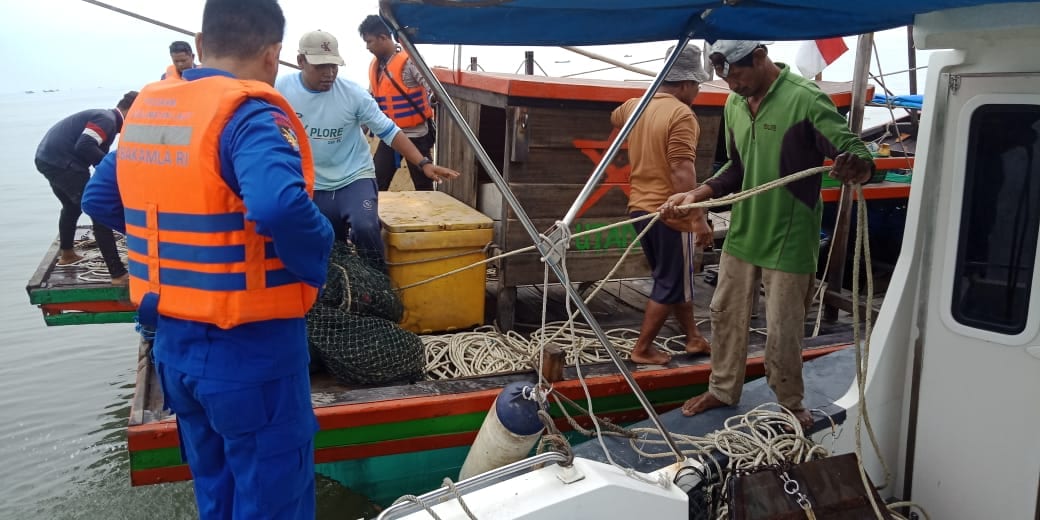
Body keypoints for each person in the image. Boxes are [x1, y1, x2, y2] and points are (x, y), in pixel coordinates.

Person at [81, 0, 334, 517]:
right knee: (272, 503)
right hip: (252, 354)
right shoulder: (249, 115)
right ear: (274, 56)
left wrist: (181, 252)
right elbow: (279, 204)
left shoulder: (153, 110)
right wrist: (317, 260)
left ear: (198, 45)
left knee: (216, 494)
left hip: (174, 348)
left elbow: (100, 199)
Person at [660, 40, 873, 430]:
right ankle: (723, 389)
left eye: (737, 75)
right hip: (743, 233)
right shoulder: (734, 104)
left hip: (790, 239)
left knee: (784, 327)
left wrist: (857, 166)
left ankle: (790, 401)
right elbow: (734, 169)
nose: (731, 86)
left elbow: (855, 152)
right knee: (724, 316)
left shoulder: (805, 99)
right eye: (724, 79)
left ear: (760, 57)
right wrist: (697, 195)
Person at [276, 29, 458, 269]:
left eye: (334, 65)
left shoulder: (352, 94)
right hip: (313, 182)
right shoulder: (281, 91)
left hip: (354, 176)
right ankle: (341, 287)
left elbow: (389, 131)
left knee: (365, 226)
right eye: (320, 66)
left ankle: (378, 284)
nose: (329, 73)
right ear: (301, 61)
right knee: (329, 241)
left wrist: (424, 163)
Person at [610, 44, 714, 365]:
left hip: (639, 209)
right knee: (670, 282)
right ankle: (642, 348)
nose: (697, 90)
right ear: (684, 84)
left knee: (673, 276)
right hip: (670, 212)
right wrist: (696, 219)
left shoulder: (634, 106)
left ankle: (693, 338)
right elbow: (681, 171)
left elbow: (615, 116)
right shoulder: (682, 114)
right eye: (696, 83)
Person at [35, 91, 137, 283]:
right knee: (99, 212)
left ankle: (67, 254)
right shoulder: (106, 119)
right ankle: (117, 274)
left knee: (72, 207)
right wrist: (111, 170)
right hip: (64, 163)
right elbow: (84, 145)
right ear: (131, 109)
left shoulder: (105, 119)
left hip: (47, 159)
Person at [358, 15, 438, 191]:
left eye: (369, 41)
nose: (367, 47)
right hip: (390, 134)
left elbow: (433, 87)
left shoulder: (410, 61)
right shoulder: (376, 66)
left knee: (423, 187)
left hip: (417, 135)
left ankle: (428, 218)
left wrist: (433, 97)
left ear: (383, 38)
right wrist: (361, 128)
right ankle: (374, 218)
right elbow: (370, 100)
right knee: (376, 184)